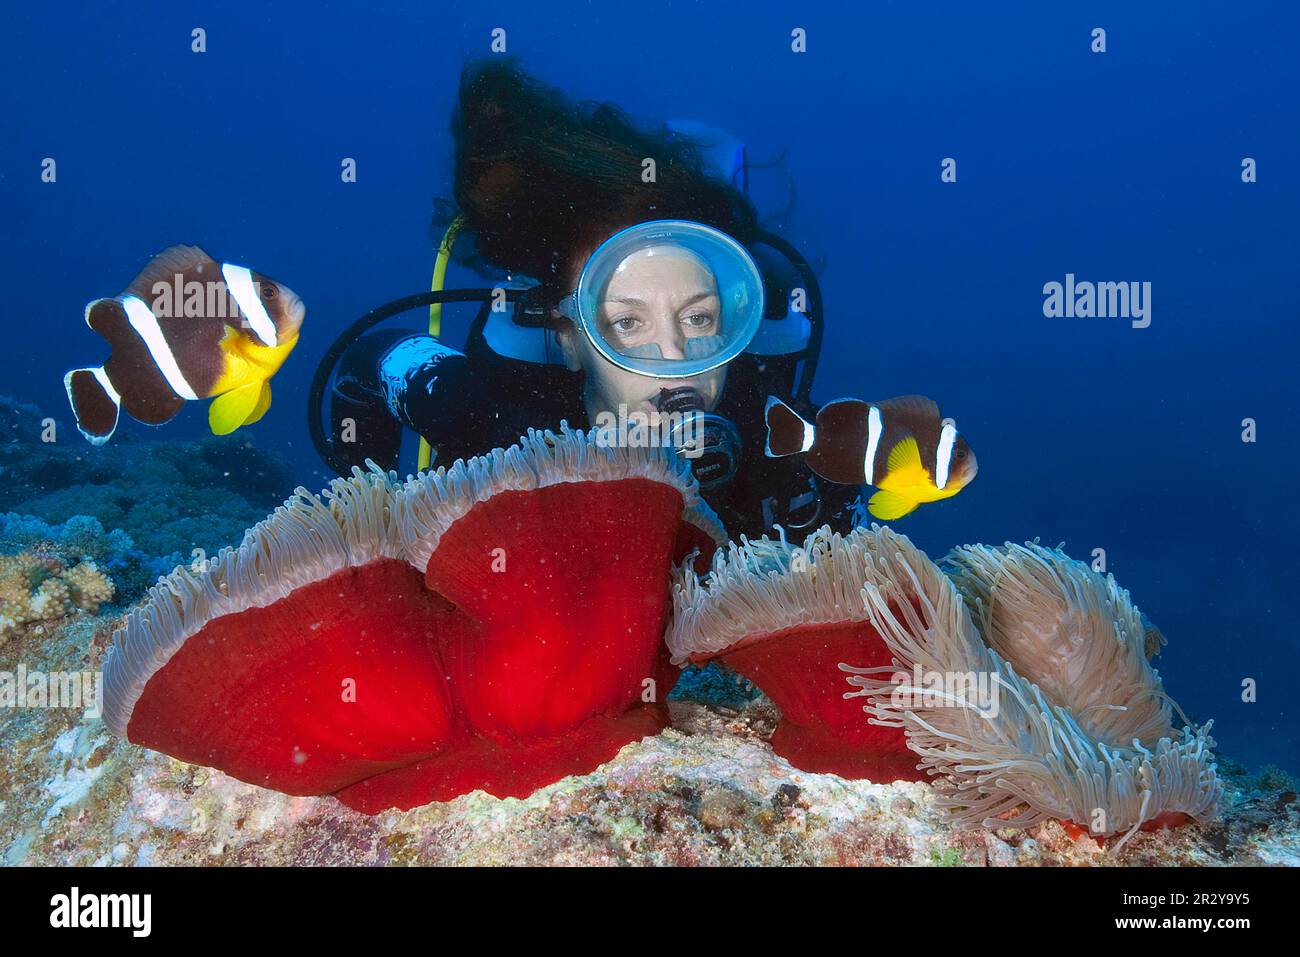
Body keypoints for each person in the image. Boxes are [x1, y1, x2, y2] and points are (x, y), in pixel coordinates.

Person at [322, 58, 867, 540]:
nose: (675, 359)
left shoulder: (801, 453)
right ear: (569, 337)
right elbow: (367, 357)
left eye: (698, 316)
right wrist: (361, 524)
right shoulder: (488, 424)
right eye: (627, 323)